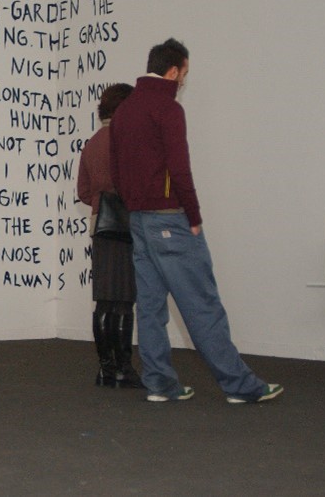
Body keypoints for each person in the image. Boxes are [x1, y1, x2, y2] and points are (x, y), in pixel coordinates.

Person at [109, 38, 283, 404]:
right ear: (173, 71)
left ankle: (160, 384)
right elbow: (179, 167)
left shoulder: (124, 110)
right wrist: (193, 214)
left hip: (139, 220)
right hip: (170, 219)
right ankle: (240, 386)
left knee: (151, 308)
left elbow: (116, 169)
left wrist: (134, 206)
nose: (183, 82)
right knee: (202, 304)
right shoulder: (168, 109)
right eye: (184, 74)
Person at [77, 83, 142, 389]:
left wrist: (100, 201)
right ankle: (124, 368)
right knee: (125, 299)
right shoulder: (126, 141)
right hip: (126, 227)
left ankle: (106, 369)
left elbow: (82, 191)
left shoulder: (91, 143)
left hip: (100, 227)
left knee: (104, 299)